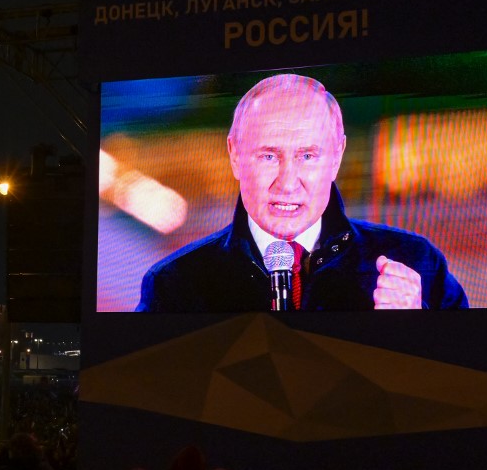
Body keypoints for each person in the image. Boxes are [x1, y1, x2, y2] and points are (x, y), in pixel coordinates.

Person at [137, 74, 468, 312]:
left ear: (337, 157)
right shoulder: (173, 286)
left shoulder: (417, 262)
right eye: (269, 156)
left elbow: (472, 385)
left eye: (307, 156)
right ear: (235, 156)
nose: (287, 182)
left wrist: (416, 327)